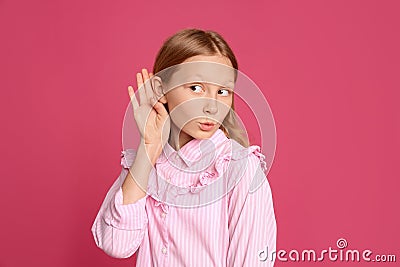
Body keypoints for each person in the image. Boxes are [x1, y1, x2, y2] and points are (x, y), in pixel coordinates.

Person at [91, 28, 277, 266]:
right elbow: (116, 244)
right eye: (196, 87)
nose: (212, 106)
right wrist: (148, 149)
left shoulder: (240, 169)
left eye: (223, 91)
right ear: (160, 90)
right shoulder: (146, 163)